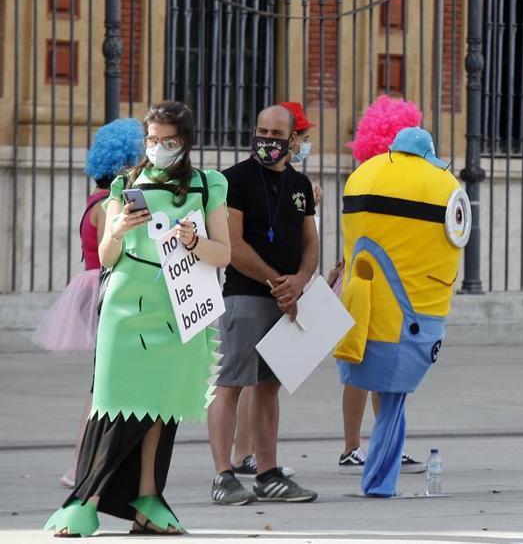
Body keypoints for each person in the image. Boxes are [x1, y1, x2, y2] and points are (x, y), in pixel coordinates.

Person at [45, 101, 232, 536]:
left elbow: (224, 253)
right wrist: (118, 229)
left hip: (178, 307)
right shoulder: (124, 185)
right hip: (125, 308)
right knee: (111, 407)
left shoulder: (208, 186)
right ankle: (86, 500)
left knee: (161, 409)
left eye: (169, 140)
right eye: (152, 140)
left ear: (184, 142)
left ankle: (149, 498)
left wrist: (194, 241)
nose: (159, 148)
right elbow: (107, 257)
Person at [334, 126, 469, 497]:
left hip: (363, 306)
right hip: (415, 312)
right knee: (392, 397)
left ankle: (373, 468)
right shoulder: (443, 183)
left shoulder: (363, 175)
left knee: (373, 384)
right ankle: (379, 481)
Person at [207, 105, 319, 505]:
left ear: (292, 140)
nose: (267, 139)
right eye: (261, 130)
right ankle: (223, 474)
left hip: (286, 299)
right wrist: (277, 282)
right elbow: (233, 246)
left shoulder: (301, 185)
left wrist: (302, 280)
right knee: (231, 382)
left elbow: (311, 243)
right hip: (245, 296)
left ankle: (268, 472)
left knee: (269, 387)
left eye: (276, 133)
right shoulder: (232, 181)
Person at [34, 119, 146, 489]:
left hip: (92, 285)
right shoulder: (108, 206)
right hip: (106, 289)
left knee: (106, 383)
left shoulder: (94, 201)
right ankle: (83, 466)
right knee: (103, 387)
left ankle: (97, 464)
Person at [334, 95, 426, 475]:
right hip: (367, 281)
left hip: (391, 283)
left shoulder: (387, 178)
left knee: (385, 364)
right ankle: (354, 445)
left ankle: (384, 442)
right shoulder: (369, 178)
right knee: (359, 362)